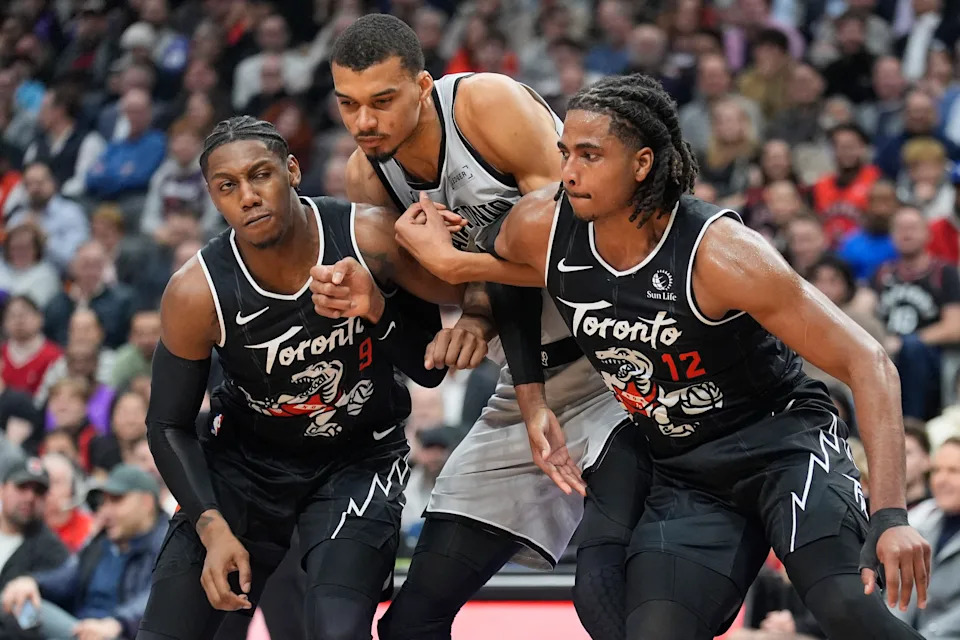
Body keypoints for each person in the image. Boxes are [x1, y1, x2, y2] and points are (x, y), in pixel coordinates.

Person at [381, 74, 932, 639]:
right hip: (687, 471)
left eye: (590, 156)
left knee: (845, 606)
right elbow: (500, 274)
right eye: (565, 152)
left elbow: (870, 362)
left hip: (782, 448)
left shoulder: (720, 254)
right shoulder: (542, 224)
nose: (569, 171)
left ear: (642, 163)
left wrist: (890, 515)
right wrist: (451, 271)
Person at [328, 14, 648, 639]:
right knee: (409, 624)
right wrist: (386, 302)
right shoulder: (368, 177)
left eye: (382, 101)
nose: (364, 122)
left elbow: (573, 255)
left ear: (423, 87)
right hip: (526, 384)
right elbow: (428, 352)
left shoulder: (486, 105)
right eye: (348, 105)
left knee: (608, 598)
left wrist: (465, 285)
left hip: (620, 362)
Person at [135, 116, 487, 640]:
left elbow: (427, 373)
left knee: (336, 630)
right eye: (227, 187)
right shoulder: (195, 292)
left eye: (261, 175)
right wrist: (209, 525)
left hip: (358, 459)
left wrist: (375, 310)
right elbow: (167, 424)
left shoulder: (367, 235)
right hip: (245, 467)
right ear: (213, 198)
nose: (248, 196)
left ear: (293, 170)